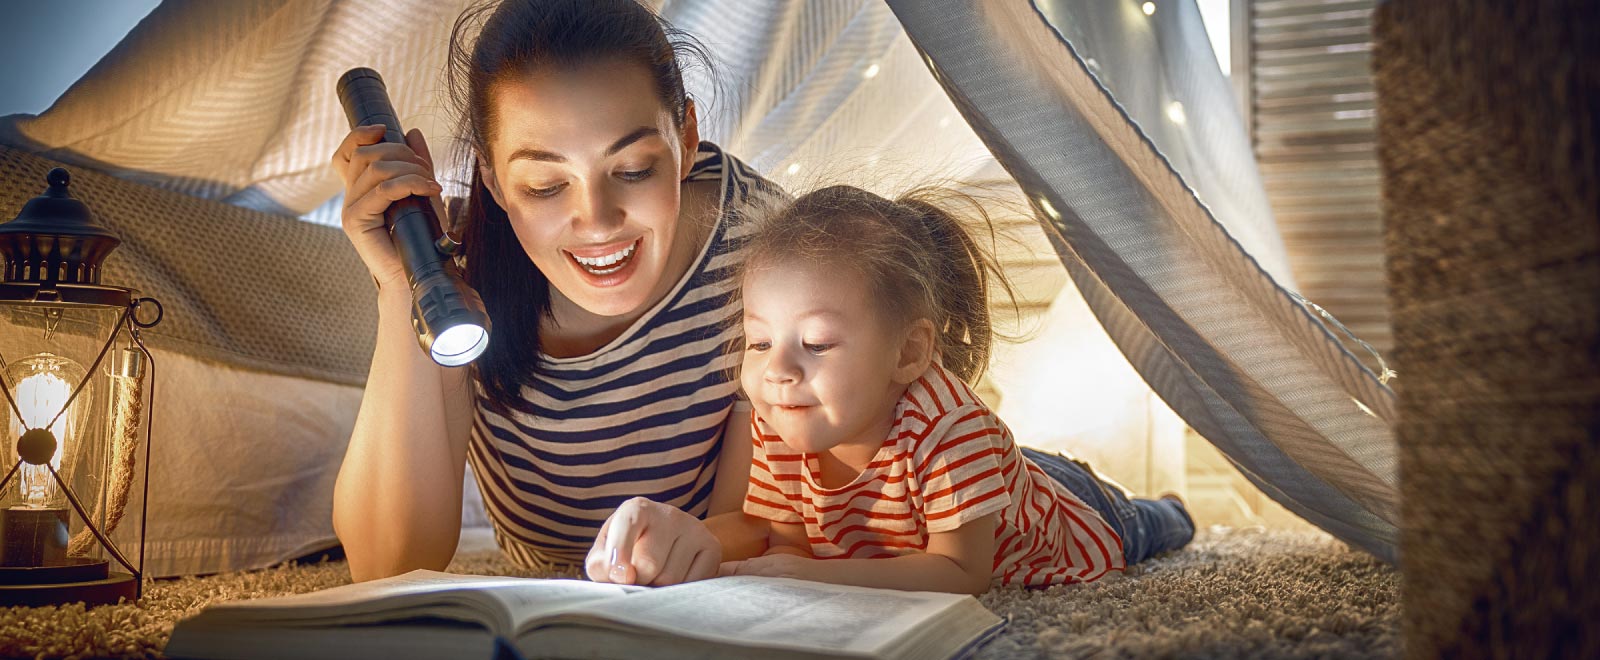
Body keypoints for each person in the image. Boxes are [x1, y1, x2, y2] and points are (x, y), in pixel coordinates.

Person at [328, 0, 785, 582]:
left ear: (687, 138)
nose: (596, 221)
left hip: (696, 584)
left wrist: (699, 546)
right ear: (492, 180)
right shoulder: (460, 276)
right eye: (545, 185)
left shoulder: (766, 253)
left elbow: (762, 526)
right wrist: (402, 286)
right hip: (540, 596)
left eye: (634, 168)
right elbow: (389, 563)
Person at [593, 185, 1194, 592]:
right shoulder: (782, 412)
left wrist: (817, 578)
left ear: (907, 352)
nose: (777, 369)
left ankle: (1171, 507)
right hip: (973, 483)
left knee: (1147, 527)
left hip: (1065, 507)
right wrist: (682, 549)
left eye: (818, 344)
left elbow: (962, 574)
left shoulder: (951, 429)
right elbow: (782, 537)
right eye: (758, 341)